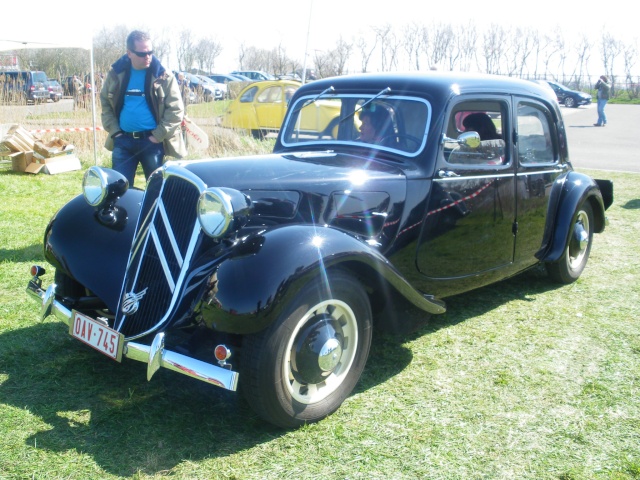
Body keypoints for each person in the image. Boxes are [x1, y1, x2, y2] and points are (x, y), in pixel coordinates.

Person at [100, 30, 186, 187]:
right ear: (129, 53)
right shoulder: (115, 74)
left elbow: (176, 111)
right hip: (122, 141)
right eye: (142, 54)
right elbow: (105, 102)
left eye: (150, 52)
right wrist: (115, 133)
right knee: (119, 190)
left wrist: (157, 136)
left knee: (157, 190)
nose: (147, 57)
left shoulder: (163, 75)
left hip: (152, 142)